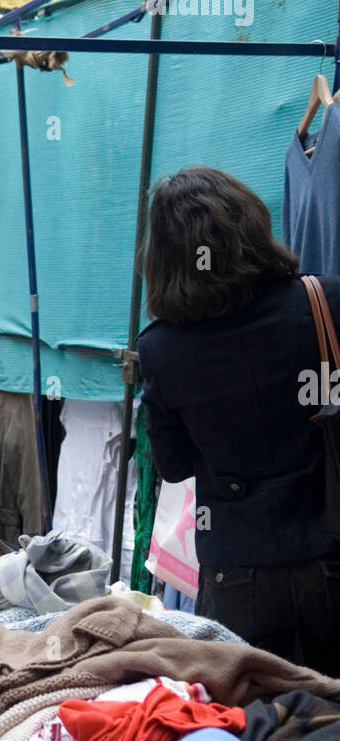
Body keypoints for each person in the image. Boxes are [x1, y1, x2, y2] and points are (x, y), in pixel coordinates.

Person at [138, 165, 340, 672]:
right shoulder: (325, 301)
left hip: (237, 572)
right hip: (330, 554)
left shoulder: (161, 348)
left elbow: (175, 465)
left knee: (248, 712)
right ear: (250, 223)